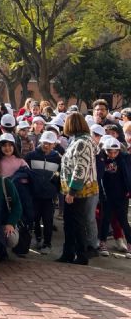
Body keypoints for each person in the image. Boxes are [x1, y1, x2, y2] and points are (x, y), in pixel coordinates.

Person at [57, 112, 99, 265]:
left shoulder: (82, 143)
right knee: (70, 222)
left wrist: (72, 191)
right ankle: (68, 252)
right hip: (73, 188)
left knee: (76, 223)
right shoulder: (79, 140)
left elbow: (80, 168)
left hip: (78, 191)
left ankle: (80, 255)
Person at [25, 131, 62, 254]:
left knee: (48, 220)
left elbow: (61, 176)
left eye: (49, 143)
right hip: (34, 194)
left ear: (54, 145)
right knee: (35, 218)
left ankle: (47, 243)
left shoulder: (58, 158)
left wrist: (55, 188)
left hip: (49, 195)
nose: (46, 145)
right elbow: (25, 172)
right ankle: (38, 239)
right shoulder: (31, 156)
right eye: (45, 142)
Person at [95, 138, 131, 258]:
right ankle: (102, 242)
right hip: (106, 195)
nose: (112, 154)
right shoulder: (101, 159)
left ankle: (129, 244)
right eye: (110, 152)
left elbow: (128, 176)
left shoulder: (124, 159)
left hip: (122, 195)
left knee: (123, 221)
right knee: (105, 219)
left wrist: (128, 191)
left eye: (115, 152)